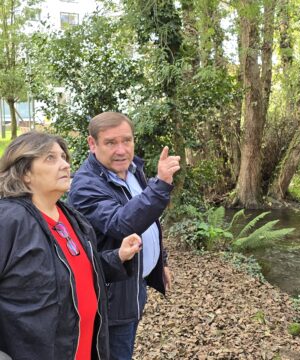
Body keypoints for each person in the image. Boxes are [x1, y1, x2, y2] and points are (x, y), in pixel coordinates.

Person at [0, 131, 143, 360]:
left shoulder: (72, 218)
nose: (65, 165)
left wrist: (118, 257)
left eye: (63, 157)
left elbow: (74, 273)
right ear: (25, 172)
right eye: (50, 158)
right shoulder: (9, 220)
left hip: (85, 348)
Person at [68, 111, 181, 360]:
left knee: (126, 345)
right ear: (92, 144)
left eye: (126, 141)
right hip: (110, 296)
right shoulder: (85, 185)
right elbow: (121, 224)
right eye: (111, 142)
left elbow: (148, 219)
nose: (121, 150)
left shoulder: (132, 170)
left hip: (134, 286)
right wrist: (160, 184)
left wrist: (160, 263)